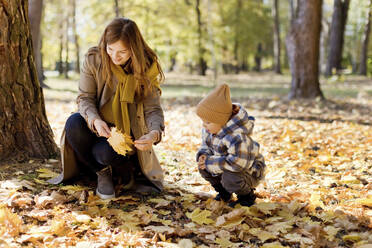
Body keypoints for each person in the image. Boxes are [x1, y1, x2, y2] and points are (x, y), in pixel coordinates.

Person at [48, 18, 165, 199]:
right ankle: (102, 173)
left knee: (103, 152)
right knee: (73, 123)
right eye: (110, 49)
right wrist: (95, 120)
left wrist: (153, 133)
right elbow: (85, 98)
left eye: (122, 52)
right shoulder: (95, 59)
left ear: (134, 49)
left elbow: (152, 109)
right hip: (96, 123)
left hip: (125, 132)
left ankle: (124, 171)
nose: (114, 56)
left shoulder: (146, 67)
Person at [195, 84, 266, 207]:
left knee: (230, 178)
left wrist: (210, 162)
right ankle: (224, 193)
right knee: (204, 168)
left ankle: (247, 196)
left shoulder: (236, 137)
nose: (204, 125)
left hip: (248, 171)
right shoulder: (210, 131)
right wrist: (204, 156)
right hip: (225, 165)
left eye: (207, 122)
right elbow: (205, 146)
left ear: (222, 121)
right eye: (202, 121)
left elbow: (238, 164)